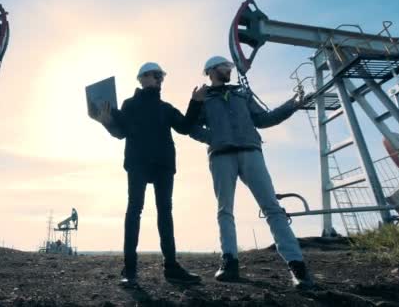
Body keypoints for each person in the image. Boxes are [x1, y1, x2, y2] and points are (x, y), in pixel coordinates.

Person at [189, 55, 314, 289]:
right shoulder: (203, 98)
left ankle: (297, 266)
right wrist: (214, 138)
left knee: (272, 208)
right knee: (225, 210)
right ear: (212, 70)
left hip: (251, 152)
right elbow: (192, 128)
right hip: (220, 156)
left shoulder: (242, 94)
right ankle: (229, 262)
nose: (230, 70)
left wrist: (292, 105)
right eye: (226, 66)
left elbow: (263, 119)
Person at [94, 62, 207, 286]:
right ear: (141, 79)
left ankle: (172, 268)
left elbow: (184, 127)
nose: (153, 78)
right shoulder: (129, 105)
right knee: (134, 210)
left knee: (165, 212)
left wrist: (195, 102)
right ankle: (130, 270)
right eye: (149, 75)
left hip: (164, 164)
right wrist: (107, 123)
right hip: (137, 162)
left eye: (156, 75)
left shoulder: (166, 108)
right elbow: (120, 133)